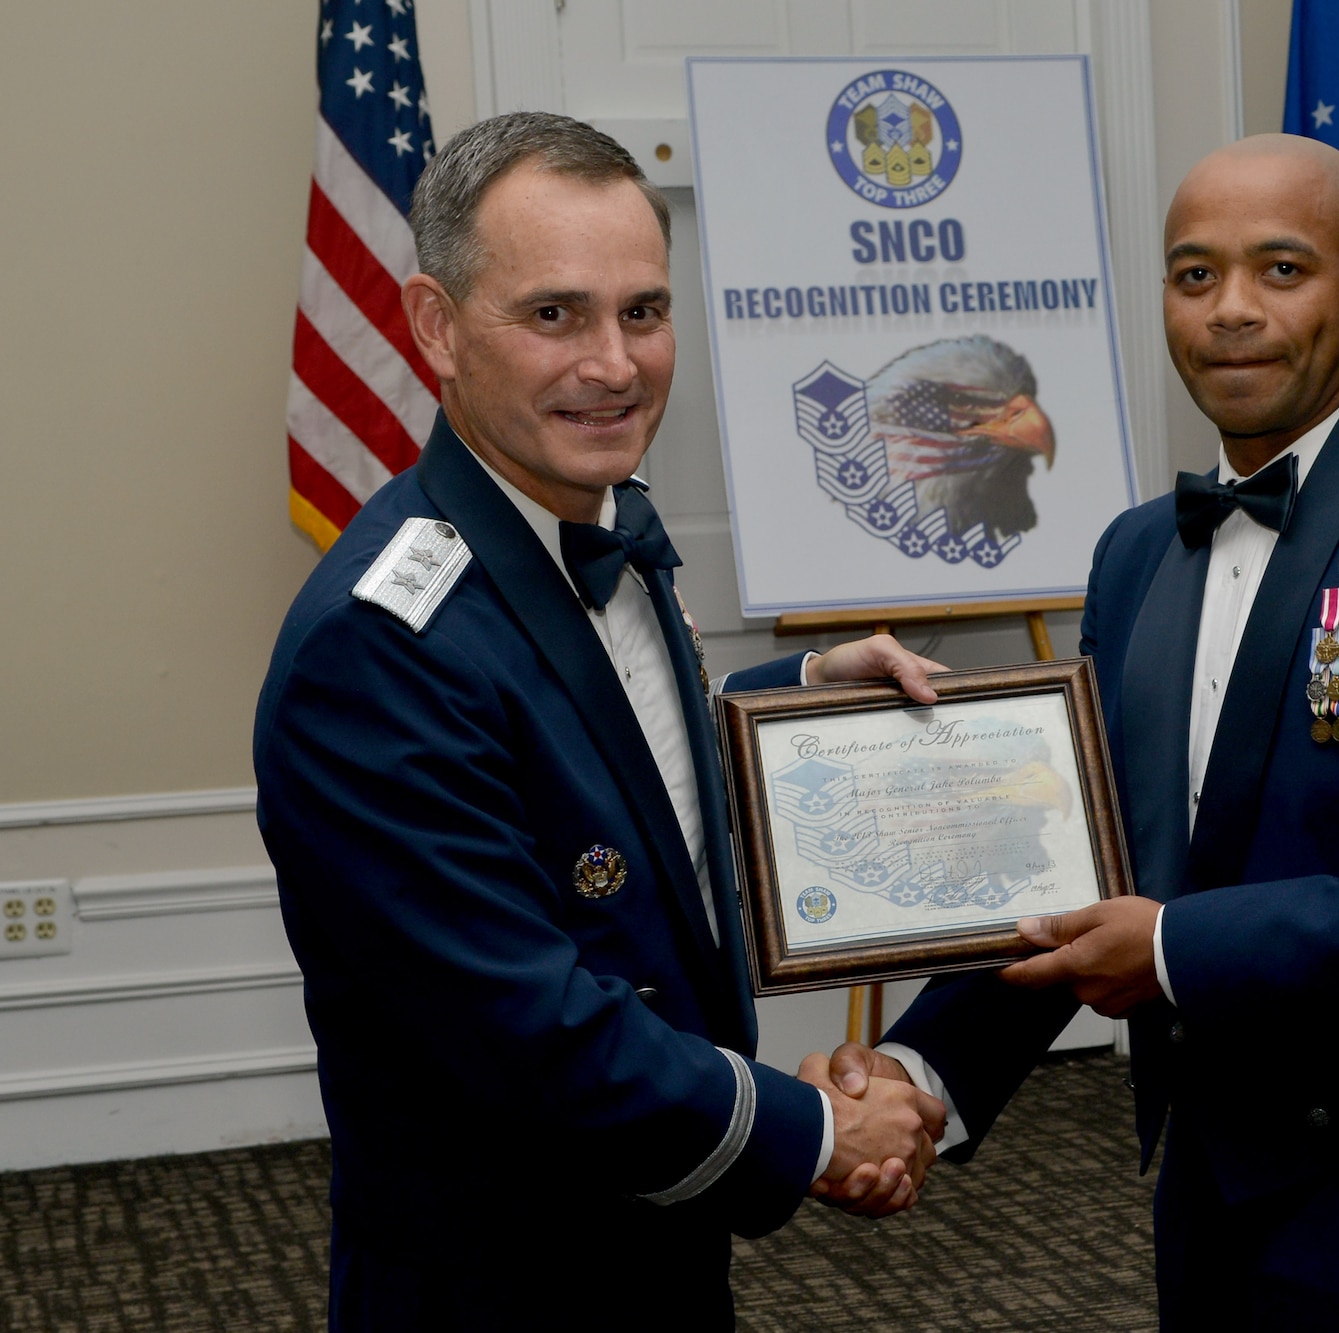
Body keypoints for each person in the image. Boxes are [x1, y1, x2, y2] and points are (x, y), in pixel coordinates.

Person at [829, 134, 1339, 1328]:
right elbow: (1084, 866)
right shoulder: (1136, 552)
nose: (1229, 310)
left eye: (1279, 270)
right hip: (1208, 1182)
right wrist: (922, 1074)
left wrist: (1178, 945)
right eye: (1193, 276)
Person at [254, 112, 946, 1330]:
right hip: (504, 1282)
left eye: (642, 311)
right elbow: (529, 1026)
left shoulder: (591, 521)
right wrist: (814, 1131)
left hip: (652, 1256)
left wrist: (777, 709)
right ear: (434, 327)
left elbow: (584, 763)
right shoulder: (374, 649)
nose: (615, 364)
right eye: (554, 314)